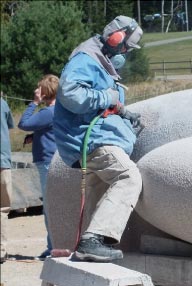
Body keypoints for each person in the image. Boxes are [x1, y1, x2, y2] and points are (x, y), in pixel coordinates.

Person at [53, 16, 143, 262]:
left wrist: (124, 114)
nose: (125, 52)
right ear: (116, 37)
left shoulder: (99, 62)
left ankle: (88, 260)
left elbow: (103, 101)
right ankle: (93, 240)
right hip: (90, 140)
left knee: (98, 192)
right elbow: (71, 93)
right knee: (128, 177)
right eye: (125, 46)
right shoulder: (86, 59)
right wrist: (108, 97)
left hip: (89, 139)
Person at [18, 74, 59, 259]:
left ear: (45, 93)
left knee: (49, 207)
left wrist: (34, 102)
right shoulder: (60, 110)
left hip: (47, 162)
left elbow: (24, 123)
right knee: (53, 205)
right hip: (55, 160)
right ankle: (54, 245)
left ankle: (53, 247)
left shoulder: (47, 112)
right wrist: (36, 137)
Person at [1, 95, 14, 263]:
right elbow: (10, 125)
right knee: (2, 209)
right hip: (3, 162)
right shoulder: (3, 103)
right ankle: (1, 250)